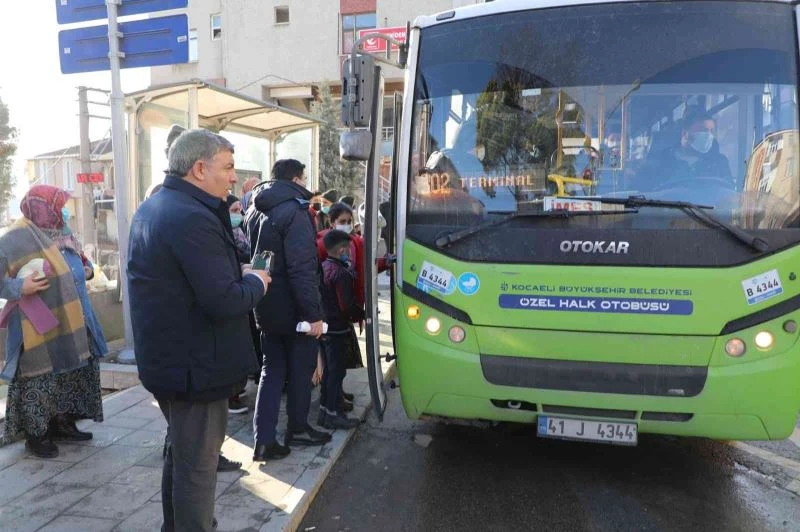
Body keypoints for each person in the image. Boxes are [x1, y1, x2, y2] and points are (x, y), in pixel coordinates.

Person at [128, 129, 271, 532]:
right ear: (199, 168)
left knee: (182, 454)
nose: (232, 177)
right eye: (227, 167)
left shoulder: (160, 205)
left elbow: (183, 279)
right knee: (197, 469)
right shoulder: (192, 216)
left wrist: (233, 273)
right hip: (195, 367)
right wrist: (256, 282)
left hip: (171, 362)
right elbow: (224, 300)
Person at [0, 185, 108, 458]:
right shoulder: (13, 239)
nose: (63, 210)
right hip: (36, 323)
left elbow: (83, 262)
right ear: (41, 208)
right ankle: (37, 435)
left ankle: (63, 424)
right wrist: (18, 287)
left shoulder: (64, 234)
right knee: (39, 377)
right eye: (57, 205)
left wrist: (87, 270)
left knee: (70, 372)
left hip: (72, 316)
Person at [247, 158, 331, 462]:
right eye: (304, 177)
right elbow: (301, 269)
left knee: (271, 371)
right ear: (296, 179)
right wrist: (314, 314)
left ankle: (264, 440)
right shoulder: (294, 212)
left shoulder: (256, 210)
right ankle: (297, 427)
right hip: (296, 309)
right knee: (301, 369)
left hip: (266, 302)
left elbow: (260, 259)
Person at [318, 230, 364, 430]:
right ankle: (332, 414)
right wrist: (361, 313)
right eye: (349, 248)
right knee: (336, 372)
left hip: (325, 327)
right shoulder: (341, 272)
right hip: (337, 329)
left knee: (329, 371)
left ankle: (325, 408)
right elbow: (346, 305)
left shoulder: (324, 267)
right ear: (343, 249)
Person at [644, 106, 733, 185]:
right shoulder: (660, 161)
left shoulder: (719, 162)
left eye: (711, 131)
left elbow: (729, 195)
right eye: (704, 130)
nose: (709, 135)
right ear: (685, 133)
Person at [226, 194, 252, 416]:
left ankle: (236, 390)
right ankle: (229, 396)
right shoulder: (222, 236)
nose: (240, 215)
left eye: (239, 210)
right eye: (234, 211)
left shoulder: (239, 231)